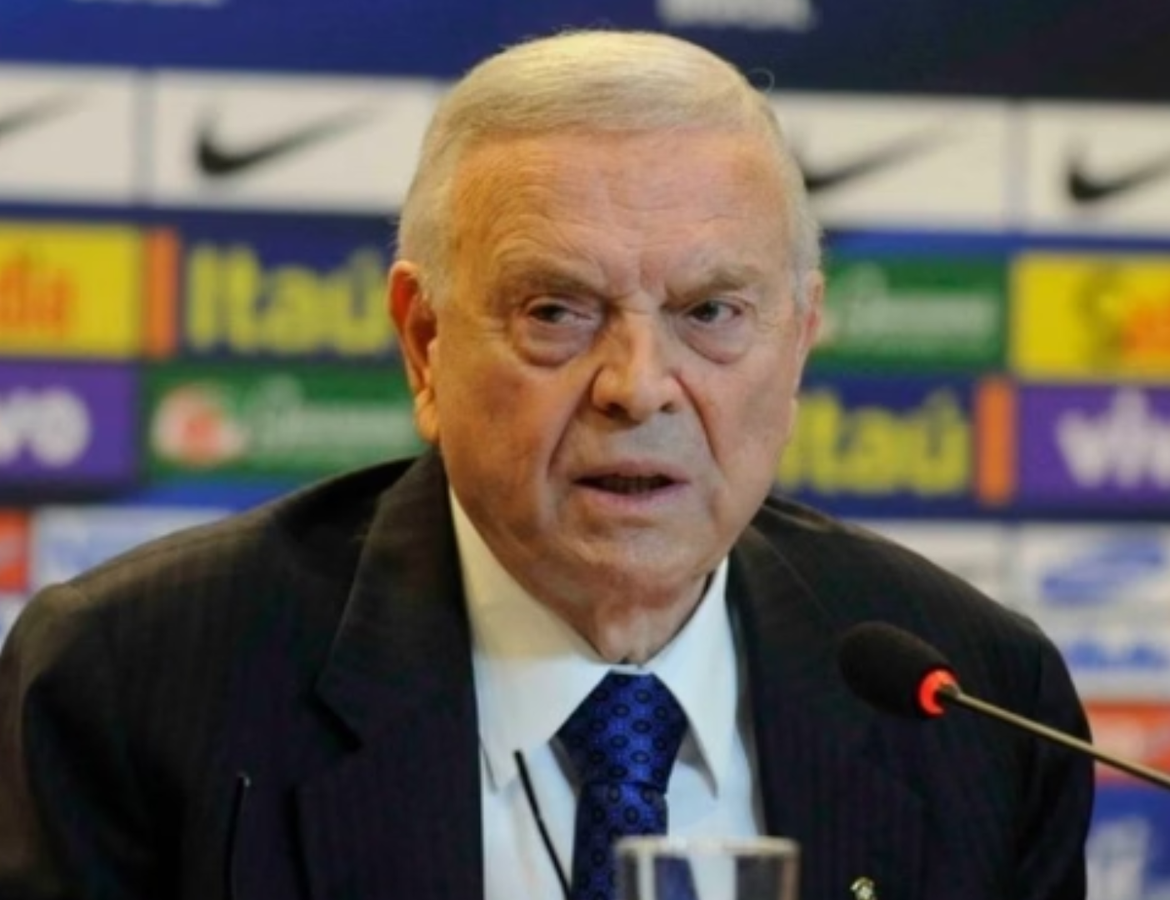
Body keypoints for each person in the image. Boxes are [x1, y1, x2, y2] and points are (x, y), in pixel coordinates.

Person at [0, 29, 1091, 900]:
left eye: (711, 312)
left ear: (800, 340)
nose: (639, 386)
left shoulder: (982, 704)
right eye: (558, 311)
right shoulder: (135, 684)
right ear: (424, 342)